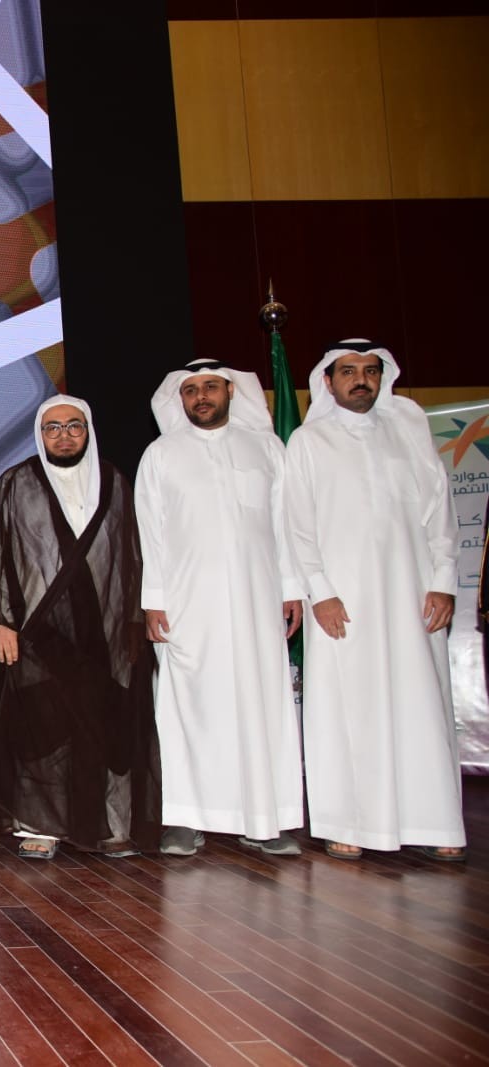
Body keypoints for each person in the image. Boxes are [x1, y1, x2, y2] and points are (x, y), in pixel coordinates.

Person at [283, 340, 464, 861]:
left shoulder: (408, 432)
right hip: (342, 603)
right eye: (348, 371)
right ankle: (351, 822)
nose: (359, 380)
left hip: (413, 595)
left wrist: (443, 580)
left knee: (421, 704)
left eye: (369, 371)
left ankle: (433, 822)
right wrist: (320, 592)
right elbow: (298, 525)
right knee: (348, 708)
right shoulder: (310, 442)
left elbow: (439, 512)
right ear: (328, 381)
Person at [136, 361, 304, 858]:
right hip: (188, 605)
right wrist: (154, 600)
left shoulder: (266, 448)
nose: (201, 397)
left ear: (231, 391)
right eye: (191, 391)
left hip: (258, 602)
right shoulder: (161, 454)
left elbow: (285, 523)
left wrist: (290, 588)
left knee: (261, 704)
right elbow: (150, 532)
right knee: (191, 708)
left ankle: (265, 819)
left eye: (210, 387)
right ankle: (185, 819)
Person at [0, 396, 160, 859]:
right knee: (42, 727)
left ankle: (109, 824)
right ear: (40, 435)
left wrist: (133, 621)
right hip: (37, 628)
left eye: (73, 426)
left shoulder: (114, 481)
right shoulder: (15, 483)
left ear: (88, 430)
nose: (64, 436)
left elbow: (133, 555)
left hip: (104, 627)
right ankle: (37, 825)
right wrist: (1, 620)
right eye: (53, 428)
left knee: (104, 723)